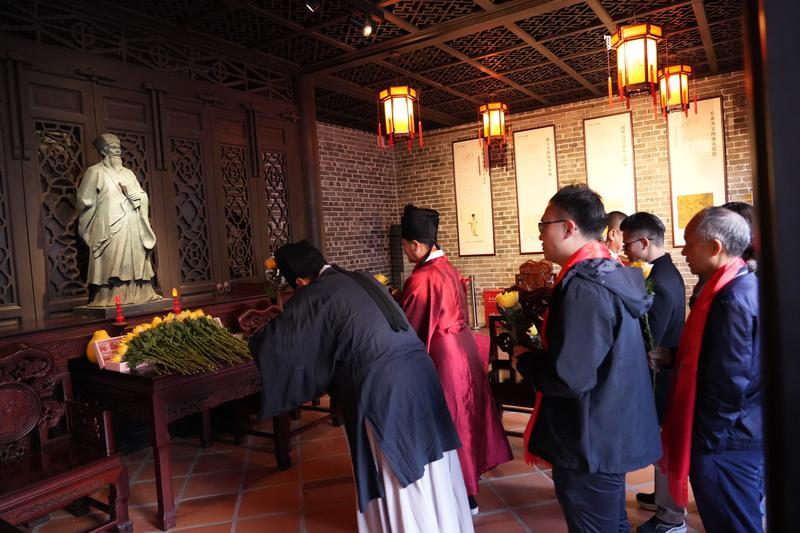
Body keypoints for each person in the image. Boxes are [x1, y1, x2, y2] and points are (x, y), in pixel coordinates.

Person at [248, 240, 474, 533]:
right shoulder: (362, 277)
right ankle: (446, 524)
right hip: (420, 373)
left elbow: (278, 343)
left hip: (383, 388)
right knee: (431, 460)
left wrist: (253, 343)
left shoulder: (316, 293)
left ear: (300, 281)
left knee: (397, 467)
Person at [514, 185, 661, 532]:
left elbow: (571, 377)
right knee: (612, 523)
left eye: (543, 224)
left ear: (568, 228)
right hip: (608, 425)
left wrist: (526, 361)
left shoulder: (585, 285)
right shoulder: (606, 270)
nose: (540, 234)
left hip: (590, 438)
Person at [398, 205, 512, 515]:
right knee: (468, 418)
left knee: (452, 424)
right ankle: (469, 485)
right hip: (466, 351)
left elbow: (409, 324)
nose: (406, 252)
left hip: (443, 358)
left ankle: (463, 494)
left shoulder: (422, 278)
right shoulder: (448, 267)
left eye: (405, 246)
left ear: (416, 245)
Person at [657, 207, 763, 532]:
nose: (683, 252)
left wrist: (707, 440)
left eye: (689, 243)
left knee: (731, 522)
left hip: (728, 440)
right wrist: (675, 356)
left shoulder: (732, 299)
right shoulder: (741, 284)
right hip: (743, 428)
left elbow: (728, 380)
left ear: (715, 247)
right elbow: (721, 355)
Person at [620, 213, 687, 533]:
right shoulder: (665, 271)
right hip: (664, 372)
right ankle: (662, 499)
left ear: (644, 242)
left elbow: (649, 338)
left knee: (665, 446)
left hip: (661, 375)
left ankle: (670, 515)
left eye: (628, 245)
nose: (625, 251)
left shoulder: (658, 280)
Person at [77, 133, 160, 306]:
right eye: (113, 148)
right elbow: (84, 200)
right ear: (103, 151)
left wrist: (138, 197)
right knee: (112, 261)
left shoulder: (129, 173)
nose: (117, 151)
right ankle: (111, 296)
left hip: (132, 222)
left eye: (118, 148)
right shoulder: (95, 172)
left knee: (134, 258)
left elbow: (142, 195)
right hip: (108, 224)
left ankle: (140, 292)